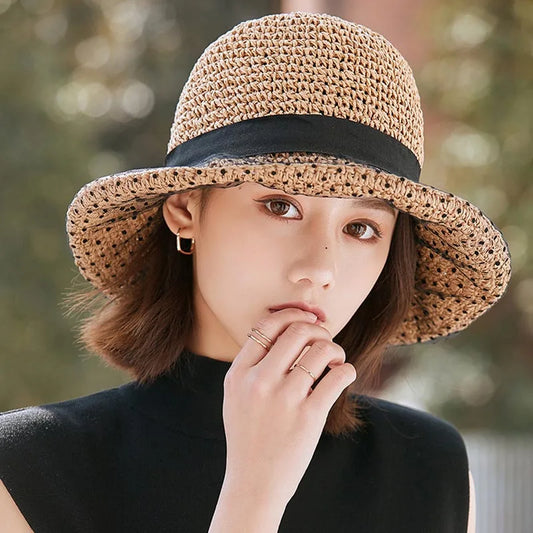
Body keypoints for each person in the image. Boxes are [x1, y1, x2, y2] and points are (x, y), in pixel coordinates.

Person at [0, 11, 510, 533]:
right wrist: (255, 490)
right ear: (186, 209)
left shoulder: (430, 468)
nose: (319, 268)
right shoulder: (28, 473)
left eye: (360, 228)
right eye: (281, 207)